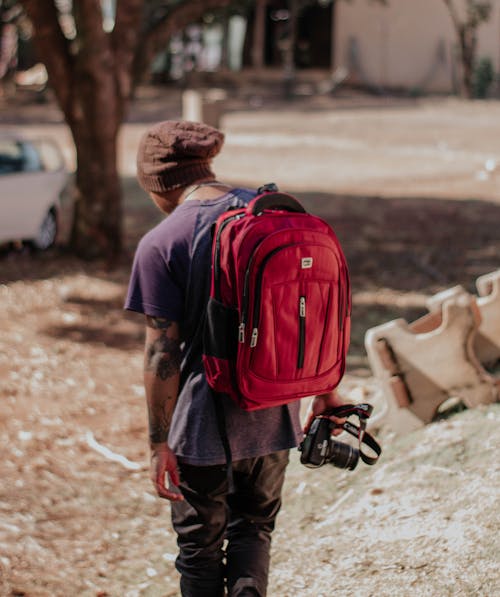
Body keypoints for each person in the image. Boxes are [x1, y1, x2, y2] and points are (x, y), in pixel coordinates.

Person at [125, 120, 346, 597]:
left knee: (200, 553)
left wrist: (158, 445)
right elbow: (310, 310)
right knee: (253, 532)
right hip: (275, 415)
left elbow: (162, 351)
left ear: (157, 183)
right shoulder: (270, 211)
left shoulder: (161, 242)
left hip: (202, 429)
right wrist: (326, 394)